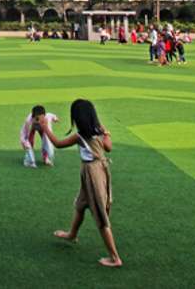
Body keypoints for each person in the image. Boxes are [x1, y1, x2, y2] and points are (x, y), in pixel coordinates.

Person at [41, 99, 121, 268]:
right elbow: (108, 147)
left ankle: (115, 257)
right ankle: (72, 234)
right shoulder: (98, 130)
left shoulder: (80, 136)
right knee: (80, 204)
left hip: (93, 173)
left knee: (100, 215)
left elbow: (58, 144)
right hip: (98, 170)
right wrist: (107, 133)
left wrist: (45, 127)